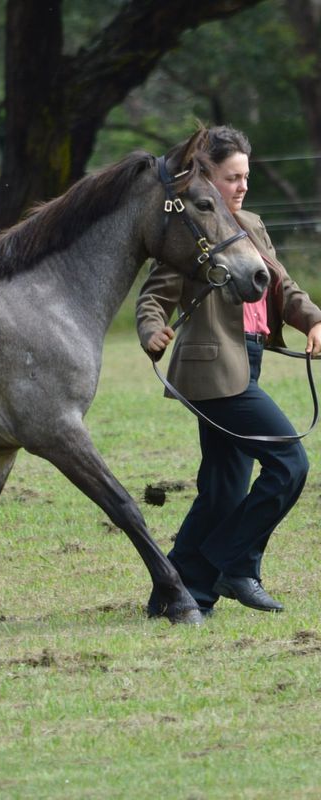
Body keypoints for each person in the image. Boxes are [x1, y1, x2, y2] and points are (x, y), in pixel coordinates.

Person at [137, 125, 321, 616]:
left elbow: (285, 287)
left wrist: (314, 320)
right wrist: (150, 329)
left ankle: (178, 595)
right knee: (290, 465)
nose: (241, 187)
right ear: (207, 178)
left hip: (252, 360)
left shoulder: (254, 224)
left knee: (222, 491)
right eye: (231, 178)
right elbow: (155, 294)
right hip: (213, 372)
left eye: (245, 177)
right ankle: (235, 567)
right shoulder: (191, 228)